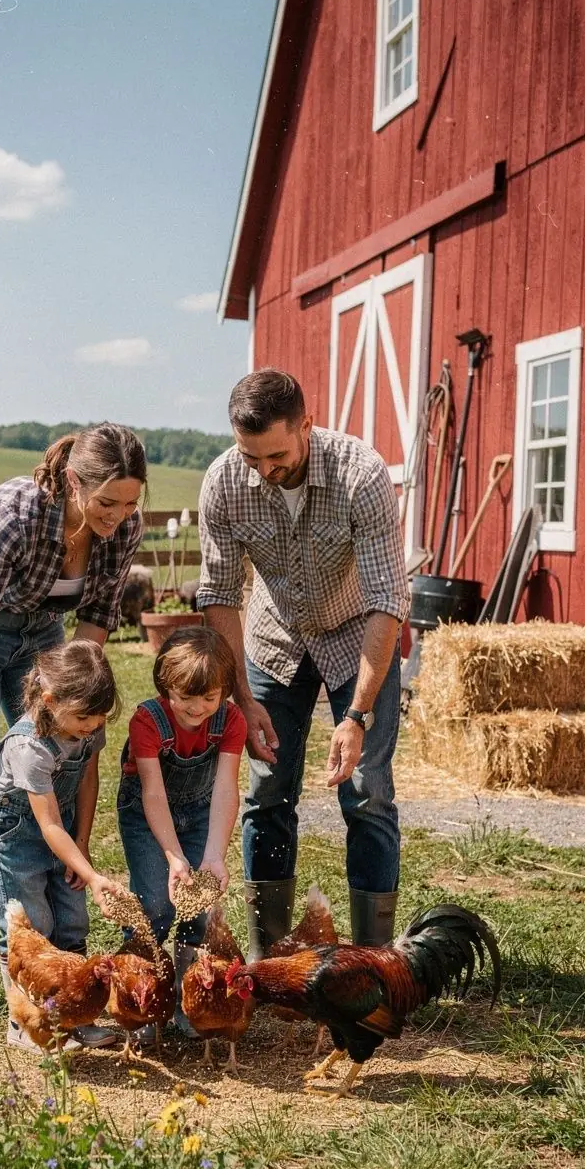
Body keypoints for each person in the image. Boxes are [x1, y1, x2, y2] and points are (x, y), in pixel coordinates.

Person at [0, 424, 146, 1026]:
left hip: (40, 633)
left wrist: (83, 719)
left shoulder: (123, 529)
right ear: (74, 482)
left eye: (130, 503)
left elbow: (94, 627)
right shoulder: (16, 512)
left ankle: (50, 962)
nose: (119, 517)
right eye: (106, 503)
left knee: (52, 776)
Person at [196, 368, 410, 956]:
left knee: (366, 791)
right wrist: (242, 697)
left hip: (356, 630)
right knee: (267, 789)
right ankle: (271, 964)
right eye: (251, 456)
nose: (264, 470)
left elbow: (389, 600)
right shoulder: (223, 482)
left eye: (277, 456)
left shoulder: (359, 474)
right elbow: (217, 592)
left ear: (307, 426)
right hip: (274, 637)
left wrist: (357, 716)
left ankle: (372, 966)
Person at [0, 640, 125, 1049]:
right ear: (49, 700)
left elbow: (88, 781)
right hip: (18, 835)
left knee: (71, 918)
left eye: (99, 719)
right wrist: (91, 874)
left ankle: (70, 1015)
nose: (92, 726)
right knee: (32, 929)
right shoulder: (29, 747)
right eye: (84, 718)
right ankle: (21, 1022)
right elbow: (46, 824)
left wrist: (82, 845)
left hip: (64, 830)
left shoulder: (89, 727)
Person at [117, 626, 247, 1039]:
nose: (197, 709)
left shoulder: (230, 720)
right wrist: (175, 857)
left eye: (209, 698)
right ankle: (142, 1001)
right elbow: (153, 794)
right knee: (154, 902)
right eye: (186, 698)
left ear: (225, 690)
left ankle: (188, 1002)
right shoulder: (147, 721)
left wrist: (213, 856)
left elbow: (226, 788)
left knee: (198, 908)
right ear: (164, 685)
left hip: (201, 810)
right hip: (147, 815)